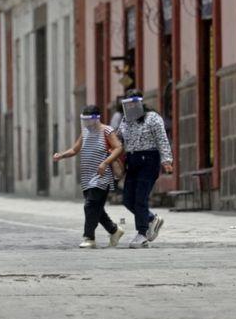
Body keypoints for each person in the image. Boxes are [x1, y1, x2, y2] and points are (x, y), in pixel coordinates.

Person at [54, 105, 125, 249]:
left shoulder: (107, 130)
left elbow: (118, 147)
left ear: (96, 118)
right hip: (87, 176)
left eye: (88, 119)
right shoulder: (85, 132)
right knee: (96, 208)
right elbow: (75, 149)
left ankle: (89, 237)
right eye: (84, 120)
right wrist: (61, 155)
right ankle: (114, 230)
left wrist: (105, 162)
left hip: (102, 176)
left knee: (90, 206)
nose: (86, 122)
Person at [118, 90, 174, 248]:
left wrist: (167, 160)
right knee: (128, 199)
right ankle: (151, 219)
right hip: (132, 160)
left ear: (140, 103)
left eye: (133, 104)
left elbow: (162, 139)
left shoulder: (153, 118)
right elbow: (118, 137)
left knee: (140, 198)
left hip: (149, 160)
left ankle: (142, 234)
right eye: (127, 104)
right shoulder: (125, 120)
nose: (131, 107)